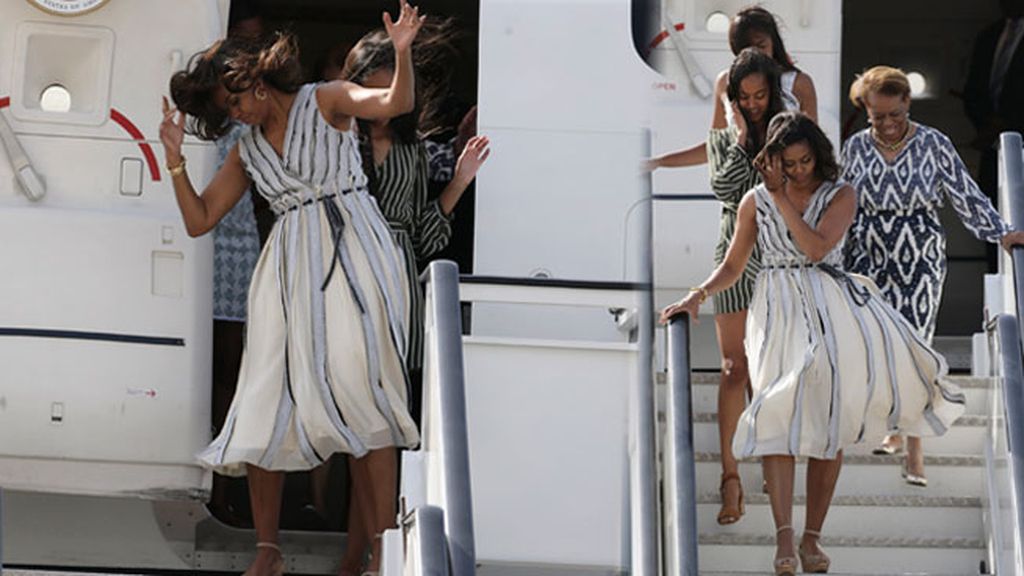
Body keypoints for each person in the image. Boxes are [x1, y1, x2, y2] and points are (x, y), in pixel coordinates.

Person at [159, 3, 426, 575]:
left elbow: (393, 104)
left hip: (354, 247)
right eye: (227, 109)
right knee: (262, 398)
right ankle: (268, 551)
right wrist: (175, 162)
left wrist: (401, 52)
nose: (238, 114)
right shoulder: (246, 149)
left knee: (369, 396)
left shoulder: (325, 98)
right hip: (286, 266)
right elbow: (200, 219)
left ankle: (384, 552)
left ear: (253, 77)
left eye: (236, 100)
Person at [661, 111, 965, 575]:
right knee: (774, 415)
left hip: (828, 305)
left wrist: (782, 200)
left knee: (829, 422)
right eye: (789, 162)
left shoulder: (840, 194)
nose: (798, 169)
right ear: (774, 160)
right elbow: (735, 264)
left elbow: (817, 249)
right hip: (775, 308)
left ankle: (812, 538)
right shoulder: (753, 201)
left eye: (805, 161)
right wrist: (696, 294)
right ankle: (783, 538)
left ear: (817, 156)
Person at [842, 66, 1024, 487]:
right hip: (867, 251)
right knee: (878, 343)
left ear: (907, 103)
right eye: (878, 117)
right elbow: (837, 204)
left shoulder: (934, 144)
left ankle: (915, 446)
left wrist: (1001, 233)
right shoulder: (853, 149)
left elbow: (965, 194)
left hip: (919, 251)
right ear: (866, 111)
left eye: (895, 115)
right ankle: (892, 428)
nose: (888, 124)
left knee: (916, 345)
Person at [687, 47, 787, 526]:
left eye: (759, 96)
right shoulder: (729, 129)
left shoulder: (790, 131)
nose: (751, 103)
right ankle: (731, 477)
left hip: (775, 256)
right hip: (731, 252)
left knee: (770, 370)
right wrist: (740, 132)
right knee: (733, 368)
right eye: (742, 97)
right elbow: (723, 188)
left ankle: (770, 458)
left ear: (771, 92)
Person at [645, 5, 817, 172]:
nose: (755, 54)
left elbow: (813, 147)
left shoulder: (799, 83)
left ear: (774, 43)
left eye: (761, 46)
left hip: (785, 192)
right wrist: (659, 162)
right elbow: (716, 147)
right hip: (740, 192)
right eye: (747, 49)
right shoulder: (725, 83)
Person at [963, 0, 1024, 213]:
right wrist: (987, 126)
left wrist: (1010, 124)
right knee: (995, 220)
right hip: (994, 151)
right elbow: (973, 91)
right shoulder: (989, 36)